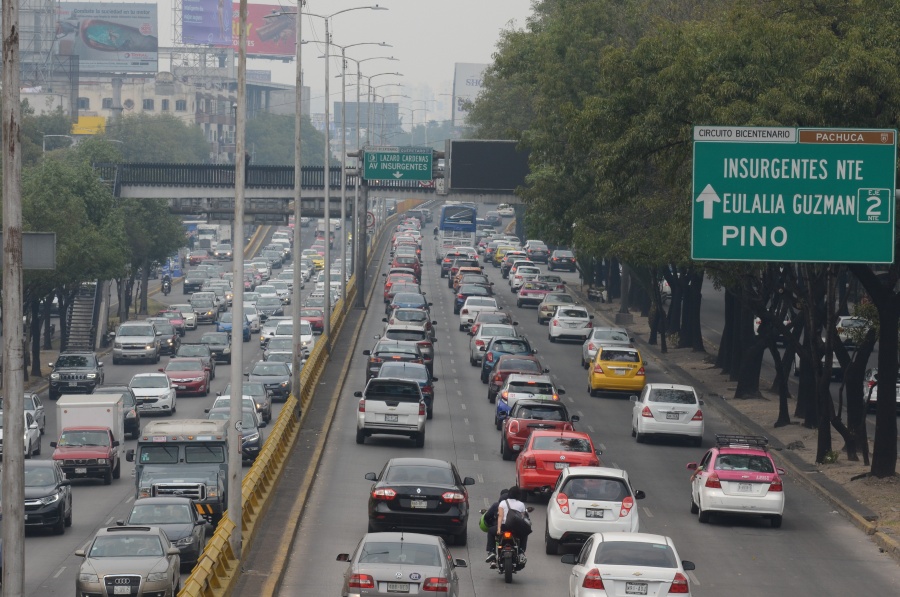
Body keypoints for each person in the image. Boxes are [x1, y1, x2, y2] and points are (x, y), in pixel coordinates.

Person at [483, 488, 509, 564]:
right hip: (514, 528)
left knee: (490, 531)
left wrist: (490, 524)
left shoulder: (496, 505)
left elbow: (487, 517)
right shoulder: (516, 504)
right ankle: (521, 552)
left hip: (500, 528)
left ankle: (491, 552)